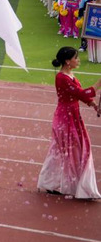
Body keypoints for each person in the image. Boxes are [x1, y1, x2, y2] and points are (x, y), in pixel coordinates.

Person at [36, 47, 100, 199]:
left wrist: (92, 104)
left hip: (73, 116)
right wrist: (99, 83)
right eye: (75, 58)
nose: (78, 60)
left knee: (69, 150)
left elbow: (79, 94)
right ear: (67, 61)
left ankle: (56, 183)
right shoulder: (61, 78)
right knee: (69, 150)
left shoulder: (70, 75)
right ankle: (64, 184)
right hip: (65, 119)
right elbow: (80, 93)